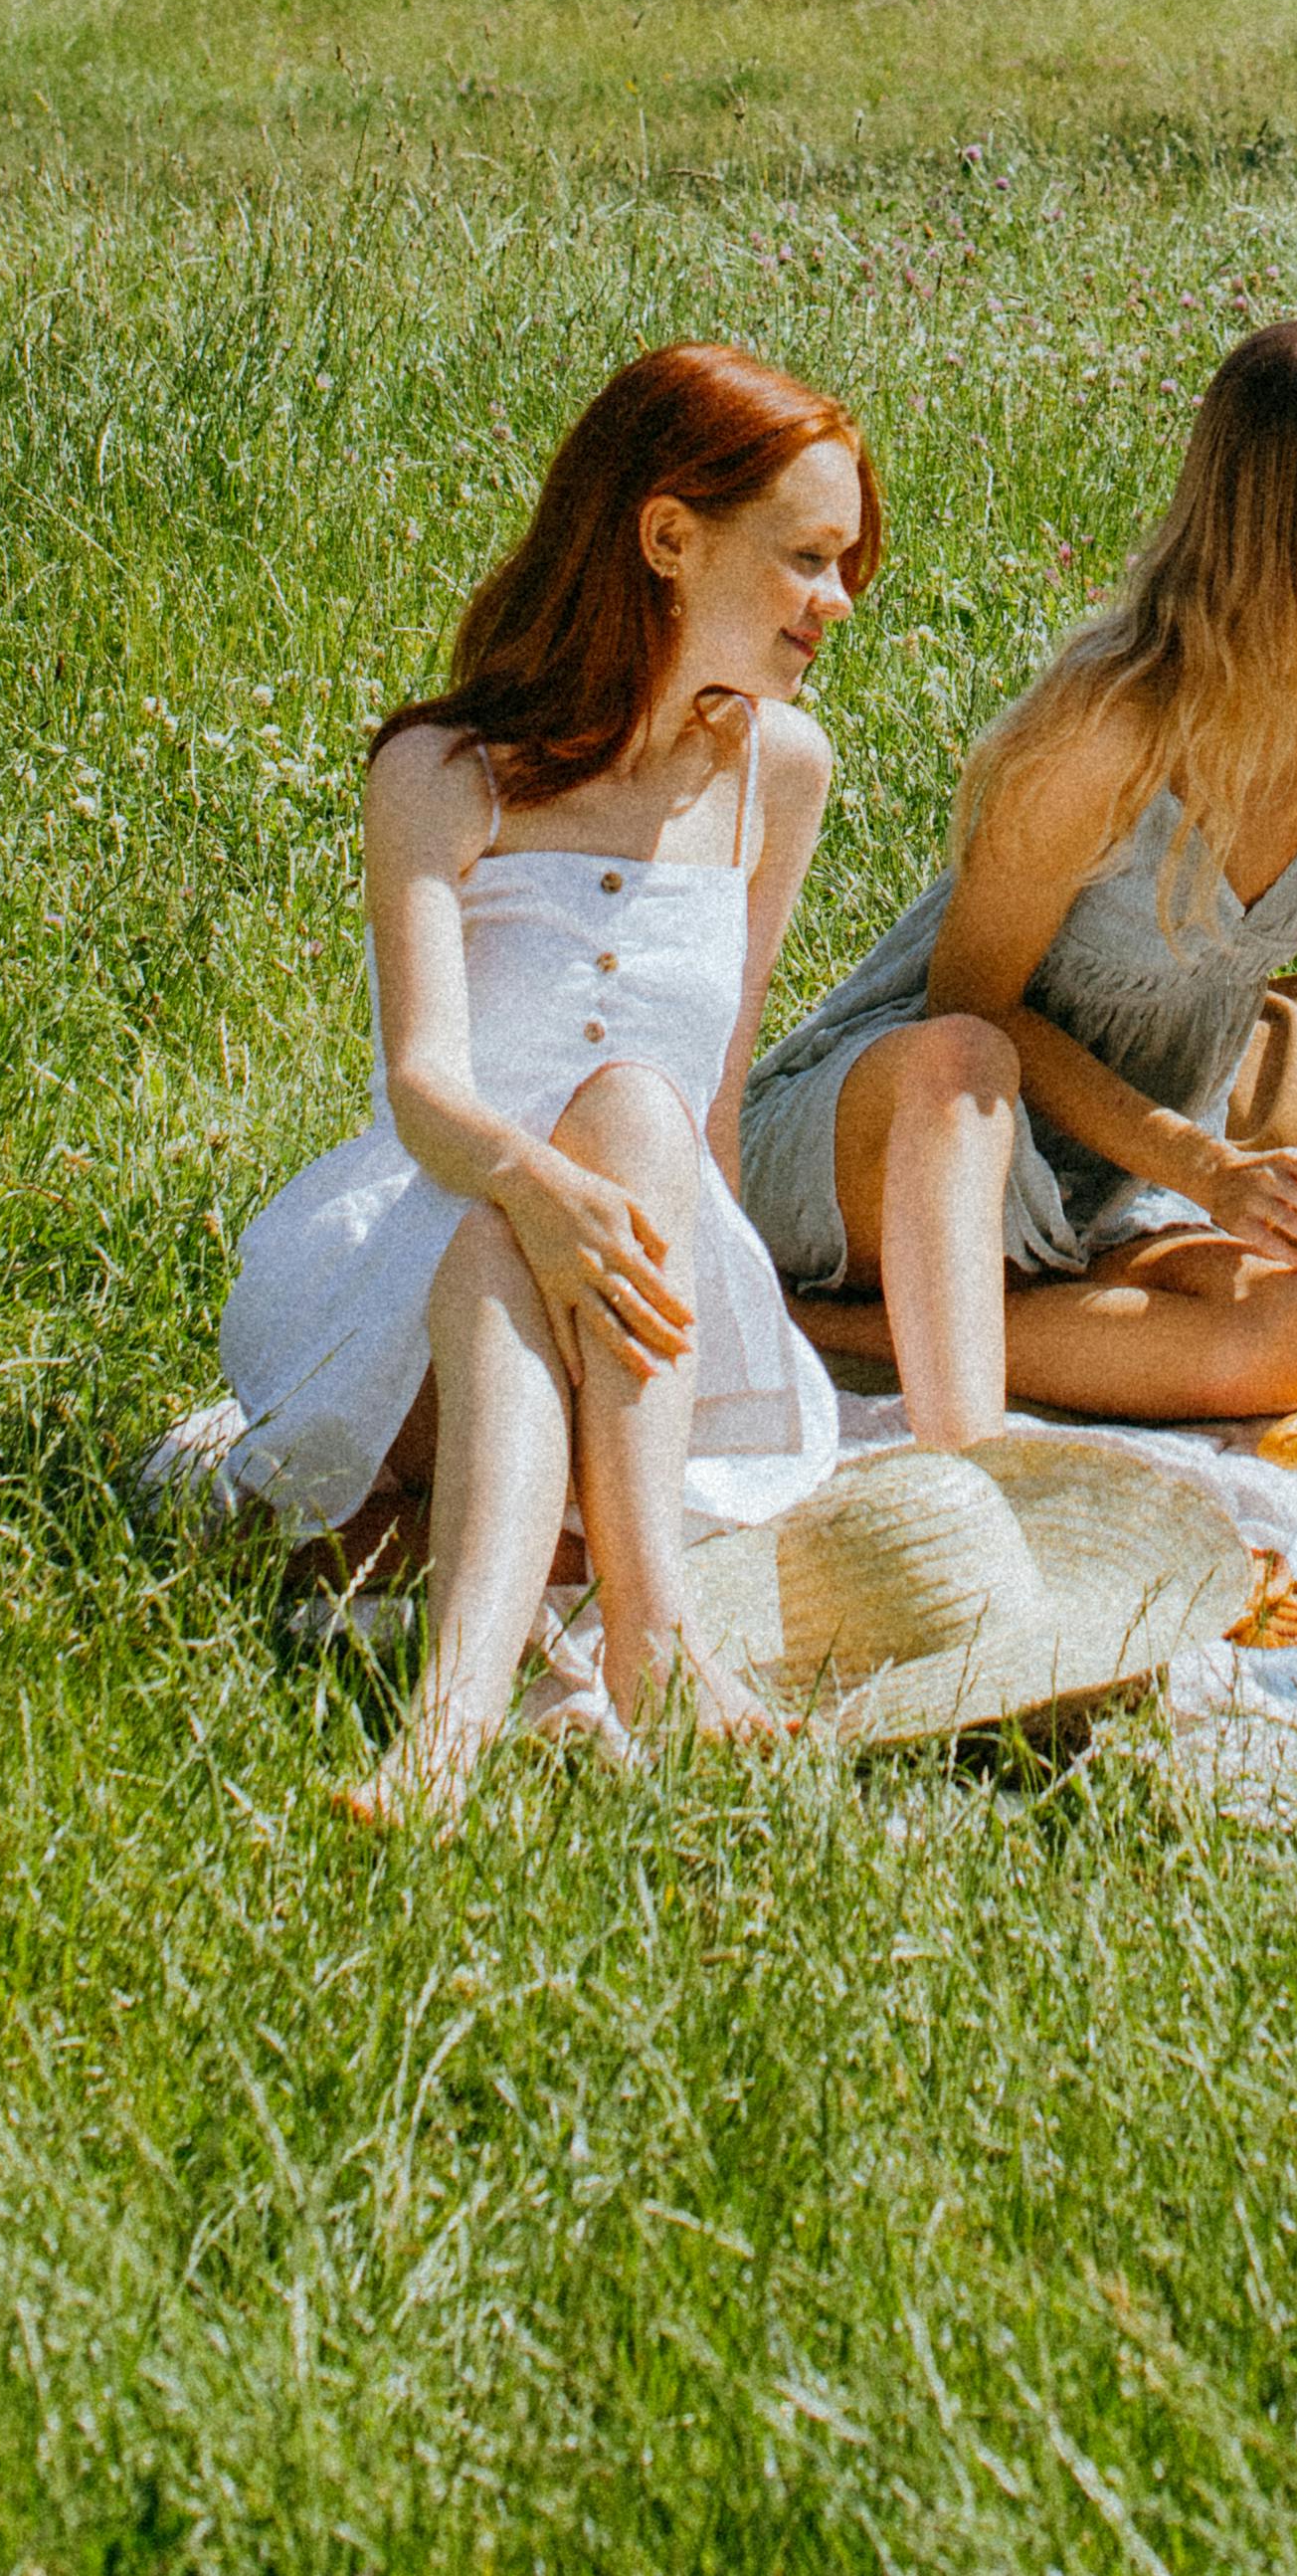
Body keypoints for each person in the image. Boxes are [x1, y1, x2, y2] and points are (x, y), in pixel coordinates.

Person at [218, 344, 869, 1819]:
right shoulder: (448, 771)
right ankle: (640, 1645)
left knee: (639, 1109)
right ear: (665, 537)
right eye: (809, 558)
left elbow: (711, 1103)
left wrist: (653, 1244)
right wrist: (543, 1190)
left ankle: (458, 1729)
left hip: (642, 1291)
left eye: (846, 564)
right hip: (428, 1265)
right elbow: (425, 1090)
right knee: (504, 1233)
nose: (838, 601)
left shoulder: (783, 773)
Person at [741, 318, 1297, 1430]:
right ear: (1268, 513)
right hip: (912, 1121)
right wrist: (1211, 1166)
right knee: (967, 1057)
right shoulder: (1115, 718)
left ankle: (857, 1330)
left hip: (1113, 1189)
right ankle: (860, 1305)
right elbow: (965, 1002)